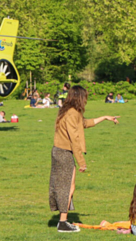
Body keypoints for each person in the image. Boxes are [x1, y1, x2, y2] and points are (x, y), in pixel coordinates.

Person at [48, 85, 119, 233]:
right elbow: (75, 138)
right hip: (63, 153)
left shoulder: (68, 111)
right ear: (79, 97)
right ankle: (62, 222)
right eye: (84, 97)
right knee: (68, 187)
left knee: (66, 186)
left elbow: (84, 124)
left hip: (58, 151)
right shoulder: (72, 113)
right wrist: (81, 161)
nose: (86, 100)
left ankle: (63, 220)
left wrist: (105, 117)